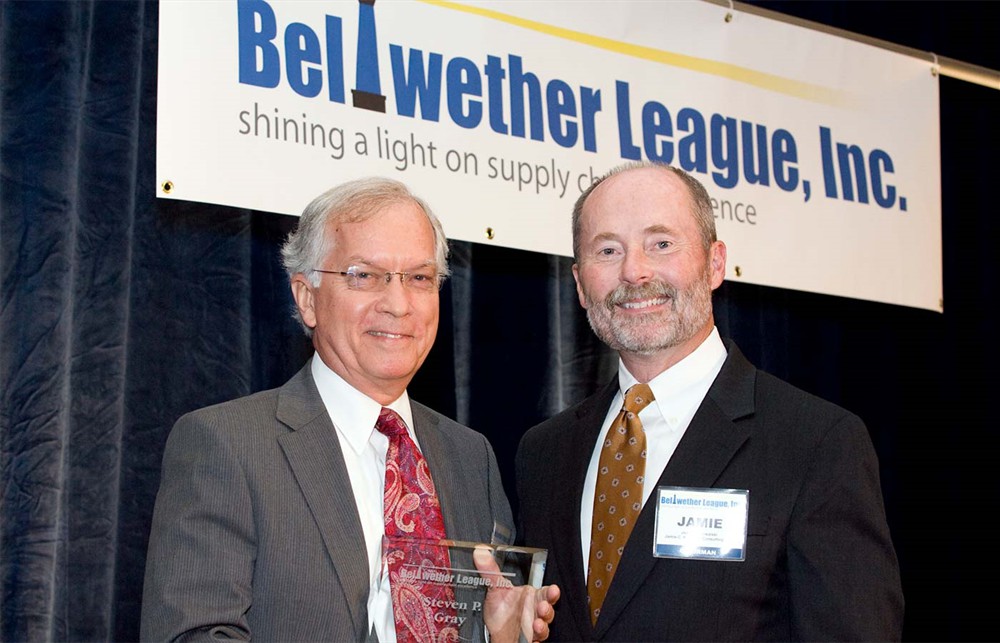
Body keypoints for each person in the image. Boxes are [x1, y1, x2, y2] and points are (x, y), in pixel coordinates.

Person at [142, 177, 558, 642]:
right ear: (307, 297)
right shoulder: (227, 445)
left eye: (419, 278)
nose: (398, 304)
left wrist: (496, 635)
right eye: (364, 275)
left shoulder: (471, 455)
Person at [515, 162, 903, 641]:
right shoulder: (544, 452)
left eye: (661, 243)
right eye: (608, 249)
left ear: (715, 263)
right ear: (578, 283)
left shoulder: (816, 443)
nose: (634, 271)